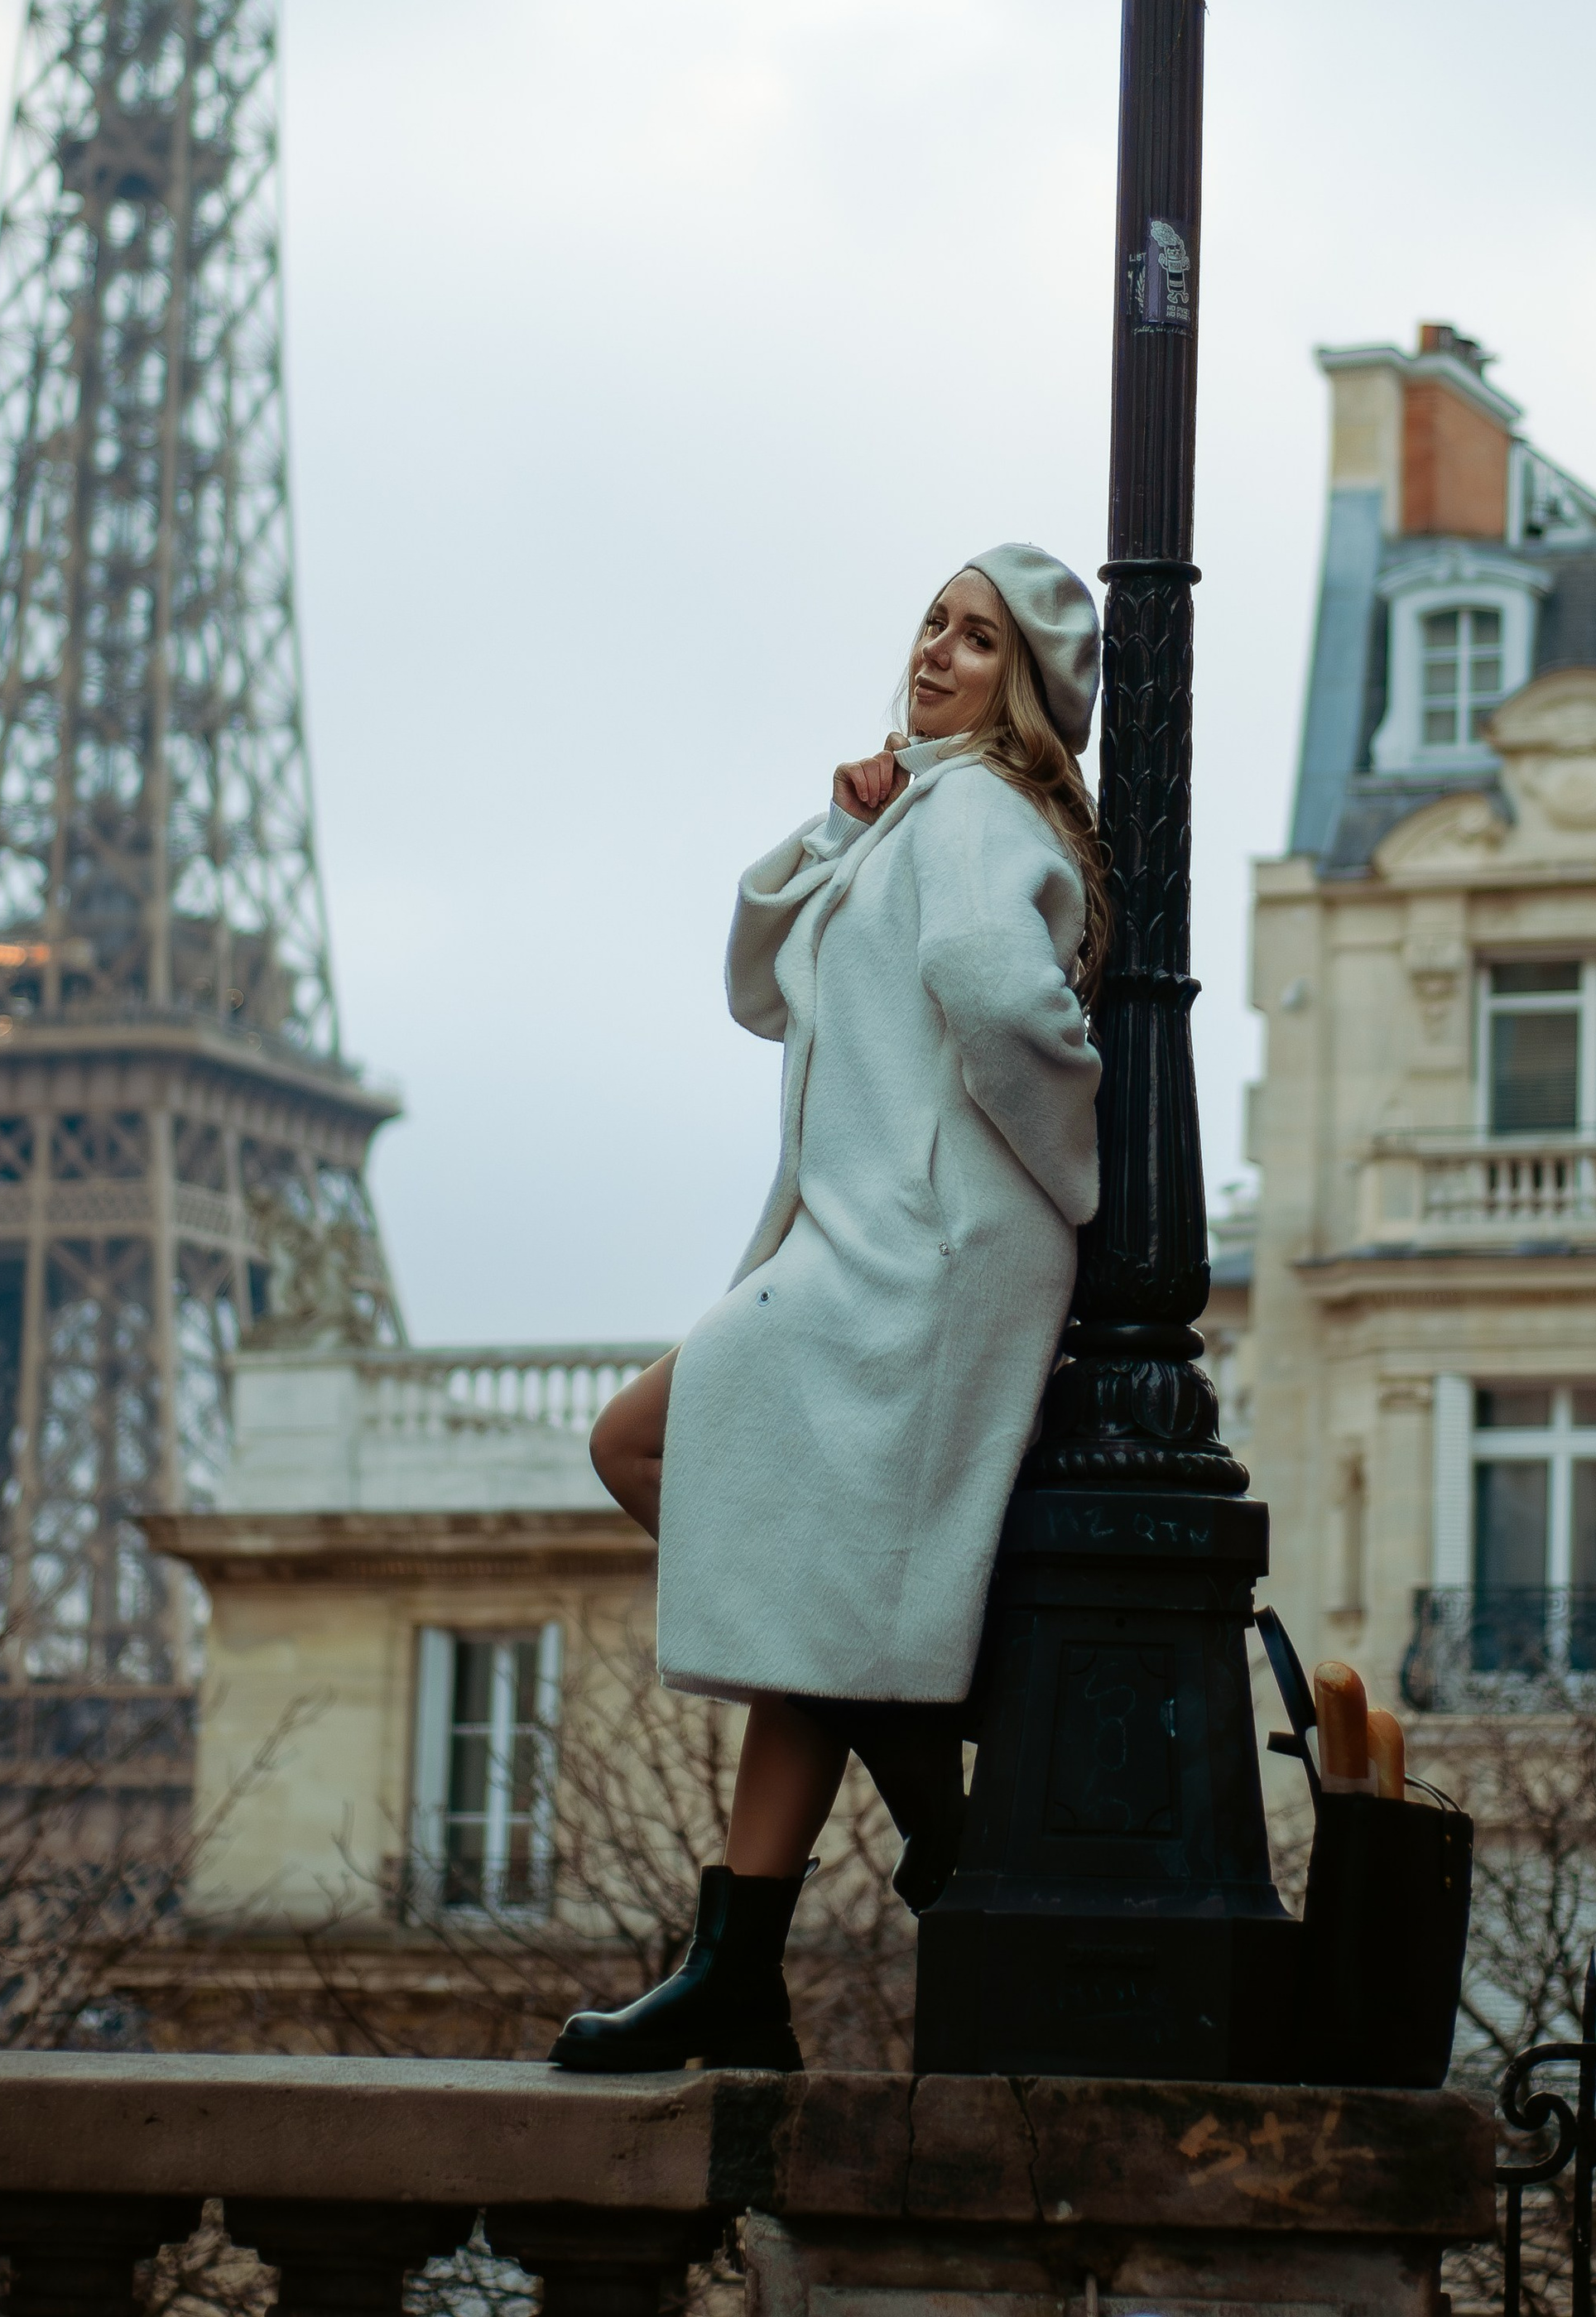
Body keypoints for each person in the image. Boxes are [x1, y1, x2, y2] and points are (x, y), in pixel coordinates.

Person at [551, 546, 1107, 2074]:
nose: (937, 651)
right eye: (933, 622)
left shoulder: (982, 813)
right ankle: (780, 1939)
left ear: (1027, 687)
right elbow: (763, 989)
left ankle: (877, 1860)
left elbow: (999, 991)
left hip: (928, 1252)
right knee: (798, 1571)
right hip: (864, 1246)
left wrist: (1075, 1171)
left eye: (978, 639)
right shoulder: (922, 811)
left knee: (641, 1449)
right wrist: (846, 821)